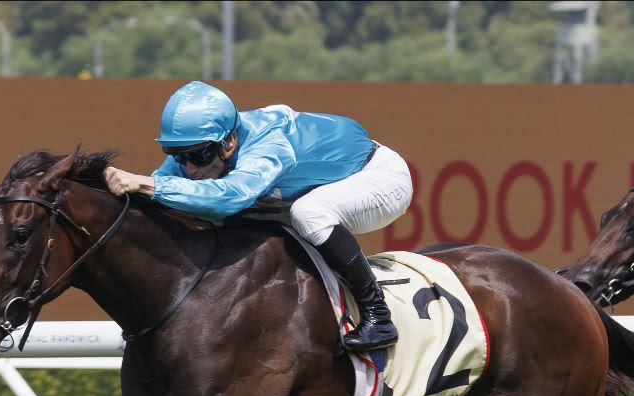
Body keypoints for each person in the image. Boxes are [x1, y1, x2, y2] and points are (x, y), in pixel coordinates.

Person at [104, 81, 412, 351]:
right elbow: (164, 195)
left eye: (198, 156)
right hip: (308, 188)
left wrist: (147, 183)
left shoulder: (270, 143)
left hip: (379, 178)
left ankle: (378, 315)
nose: (189, 168)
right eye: (178, 156)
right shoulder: (201, 147)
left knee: (307, 214)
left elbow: (229, 197)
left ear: (229, 143)